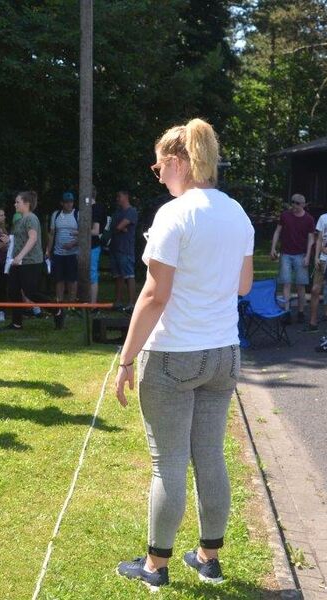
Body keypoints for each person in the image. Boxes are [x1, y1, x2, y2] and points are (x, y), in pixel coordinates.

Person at [114, 118, 254, 591]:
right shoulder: (237, 213)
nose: (158, 174)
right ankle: (208, 557)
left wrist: (126, 359)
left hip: (175, 354)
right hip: (224, 354)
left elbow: (154, 294)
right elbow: (243, 284)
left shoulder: (175, 214)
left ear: (177, 162)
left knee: (168, 463)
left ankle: (155, 567)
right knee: (210, 456)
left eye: (158, 167)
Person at [4, 191, 58, 330]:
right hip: (18, 262)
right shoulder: (20, 219)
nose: (15, 204)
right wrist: (8, 240)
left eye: (18, 202)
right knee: (13, 291)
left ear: (26, 204)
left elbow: (32, 238)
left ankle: (57, 310)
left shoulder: (31, 218)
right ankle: (17, 323)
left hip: (31, 262)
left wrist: (20, 256)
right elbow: (19, 239)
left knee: (31, 293)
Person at [270, 193, 314, 324]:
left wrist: (307, 255)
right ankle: (287, 312)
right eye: (292, 202)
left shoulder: (309, 219)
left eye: (297, 203)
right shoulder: (285, 216)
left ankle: (301, 312)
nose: (294, 205)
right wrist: (273, 248)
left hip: (301, 254)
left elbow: (311, 238)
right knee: (286, 283)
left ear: (303, 205)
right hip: (286, 254)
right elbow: (278, 231)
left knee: (301, 285)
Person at [45, 192, 79, 306]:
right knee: (59, 279)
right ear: (62, 203)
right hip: (58, 253)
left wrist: (74, 243)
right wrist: (48, 250)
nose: (69, 204)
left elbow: (84, 234)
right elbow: (52, 233)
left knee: (72, 279)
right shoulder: (56, 215)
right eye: (67, 202)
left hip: (73, 253)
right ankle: (59, 303)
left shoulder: (77, 214)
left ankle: (72, 304)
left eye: (71, 202)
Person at [109, 189, 138, 310]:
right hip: (115, 247)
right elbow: (115, 226)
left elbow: (120, 226)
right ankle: (118, 302)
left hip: (126, 248)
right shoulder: (117, 212)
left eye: (119, 196)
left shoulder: (132, 211)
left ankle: (132, 303)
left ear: (126, 196)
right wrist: (120, 228)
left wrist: (120, 227)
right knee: (118, 276)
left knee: (129, 275)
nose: (117, 199)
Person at [303, 209, 327, 332]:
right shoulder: (323, 218)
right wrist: (316, 257)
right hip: (322, 260)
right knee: (315, 290)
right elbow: (319, 239)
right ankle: (313, 322)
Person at [90, 186, 107, 304]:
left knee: (92, 274)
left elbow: (95, 231)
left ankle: (92, 304)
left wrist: (79, 233)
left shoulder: (95, 209)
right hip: (88, 246)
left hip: (93, 246)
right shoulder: (91, 208)